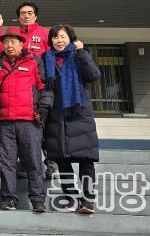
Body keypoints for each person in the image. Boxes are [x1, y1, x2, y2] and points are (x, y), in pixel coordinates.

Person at [0, 3, 57, 179]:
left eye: (30, 13)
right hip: (16, 93)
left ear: (36, 16)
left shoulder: (44, 33)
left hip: (39, 85)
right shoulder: (14, 34)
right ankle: (22, 167)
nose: (26, 16)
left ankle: (50, 161)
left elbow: (52, 55)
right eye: (23, 13)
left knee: (43, 128)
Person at [43, 24, 101, 214]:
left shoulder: (80, 55)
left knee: (86, 161)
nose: (59, 40)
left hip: (80, 115)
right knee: (63, 162)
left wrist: (82, 52)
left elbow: (93, 75)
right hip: (57, 117)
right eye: (55, 37)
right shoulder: (47, 58)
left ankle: (88, 200)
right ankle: (71, 198)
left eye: (63, 37)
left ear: (71, 39)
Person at [0, 27, 53, 213]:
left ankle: (37, 199)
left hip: (29, 121)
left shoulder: (34, 62)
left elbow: (45, 88)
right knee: (6, 163)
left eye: (13, 42)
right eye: (6, 42)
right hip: (4, 121)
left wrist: (43, 109)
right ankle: (9, 198)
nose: (9, 45)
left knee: (33, 162)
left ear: (22, 44)